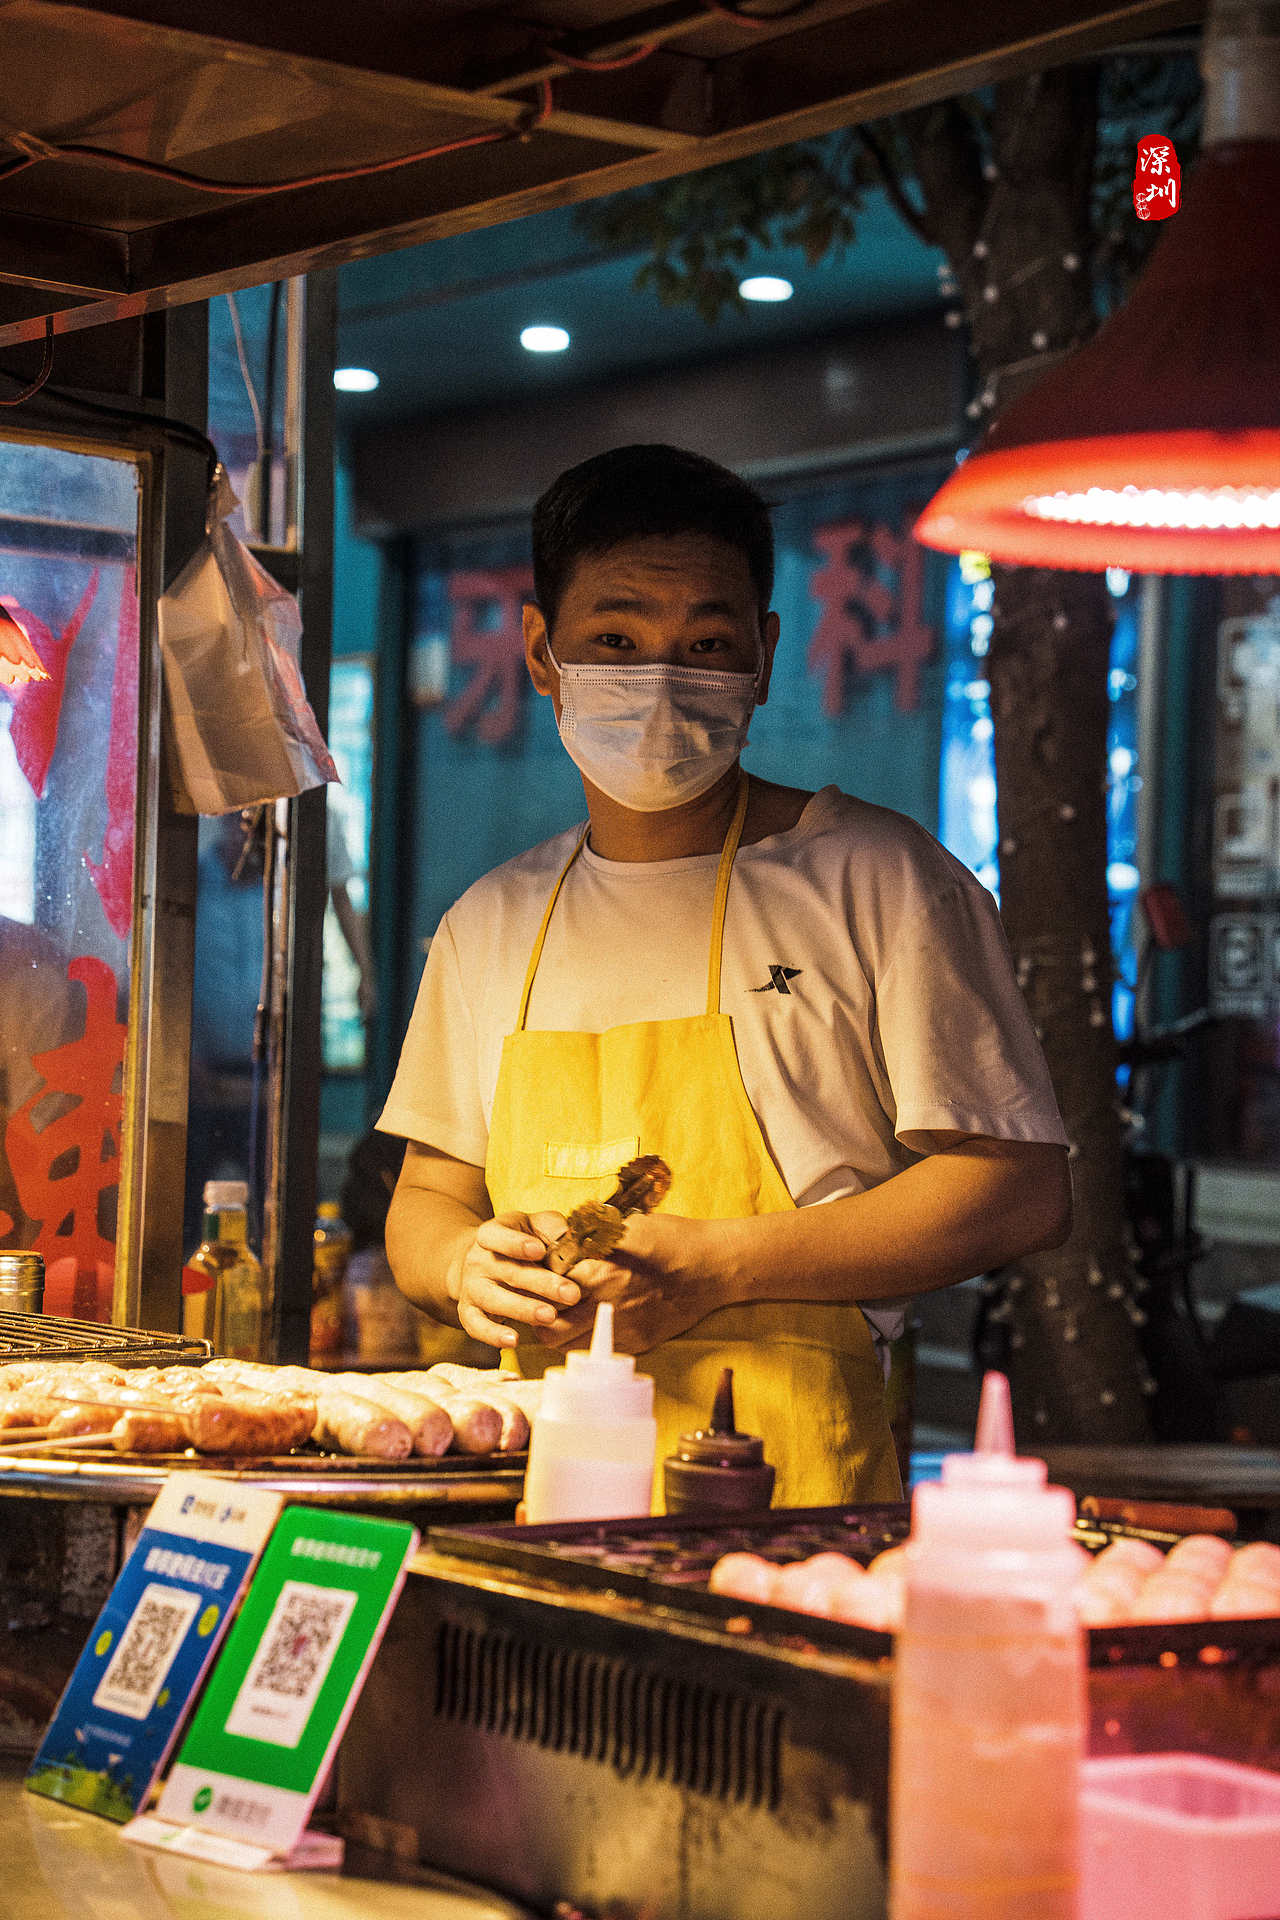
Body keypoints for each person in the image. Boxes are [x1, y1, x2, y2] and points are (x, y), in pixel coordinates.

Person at [380, 444, 1071, 1504]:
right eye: (615, 638)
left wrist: (724, 1264)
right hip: (537, 1484)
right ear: (538, 649)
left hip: (798, 1498)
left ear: (762, 655)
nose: (660, 680)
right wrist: (463, 1265)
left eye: (705, 642)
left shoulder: (878, 877)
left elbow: (1016, 1188)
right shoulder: (490, 921)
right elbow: (429, 1195)